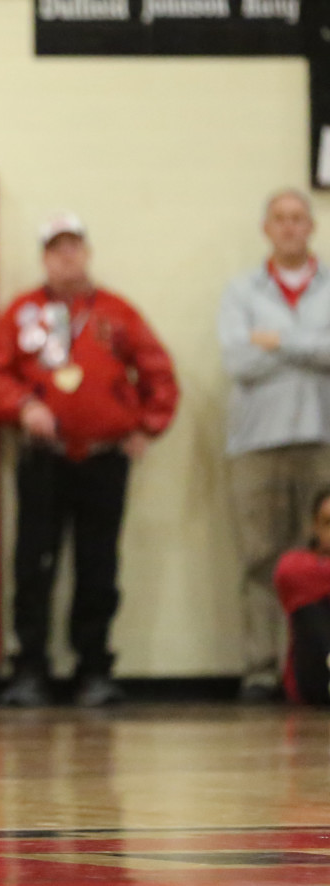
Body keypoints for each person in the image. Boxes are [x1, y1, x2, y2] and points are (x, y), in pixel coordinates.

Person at [0, 212, 178, 707]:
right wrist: (24, 407)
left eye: (74, 247)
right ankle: (30, 669)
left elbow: (160, 375)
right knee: (34, 564)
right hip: (42, 460)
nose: (66, 257)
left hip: (103, 461)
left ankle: (94, 669)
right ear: (44, 257)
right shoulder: (21, 312)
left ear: (87, 253)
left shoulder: (117, 313)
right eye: (56, 249)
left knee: (98, 565)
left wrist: (146, 427)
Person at [218, 188, 330, 703]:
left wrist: (278, 341)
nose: (289, 227)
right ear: (266, 228)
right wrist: (313, 346)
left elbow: (263, 351)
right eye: (279, 219)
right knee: (262, 559)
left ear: (311, 226)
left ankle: (316, 666)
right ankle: (262, 671)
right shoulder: (242, 291)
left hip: (321, 438)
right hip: (257, 443)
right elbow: (239, 361)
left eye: (298, 218)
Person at [273, 487, 330, 705]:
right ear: (315, 527)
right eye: (328, 523)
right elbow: (286, 573)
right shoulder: (295, 563)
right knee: (310, 610)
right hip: (316, 677)